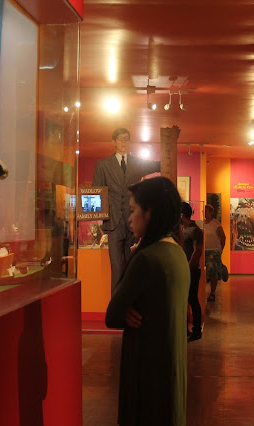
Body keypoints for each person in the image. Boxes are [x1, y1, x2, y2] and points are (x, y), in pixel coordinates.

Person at [105, 176, 189, 426]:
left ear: (149, 213)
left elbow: (112, 315)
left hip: (146, 373)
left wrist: (123, 309)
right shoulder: (177, 253)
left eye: (133, 210)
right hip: (171, 371)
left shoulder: (146, 258)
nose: (129, 218)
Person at [92, 128, 161, 293]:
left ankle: (131, 303)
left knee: (132, 267)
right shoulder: (103, 164)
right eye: (121, 138)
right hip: (113, 221)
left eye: (127, 138)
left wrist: (169, 150)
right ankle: (116, 305)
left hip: (132, 220)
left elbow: (158, 165)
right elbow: (96, 192)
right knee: (116, 268)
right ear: (114, 142)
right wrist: (100, 217)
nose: (124, 142)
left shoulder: (137, 163)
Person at [180, 202, 204, 341]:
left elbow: (197, 251)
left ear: (181, 215)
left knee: (192, 300)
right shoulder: (183, 230)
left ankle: (196, 330)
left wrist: (188, 268)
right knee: (185, 300)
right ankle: (185, 330)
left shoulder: (195, 231)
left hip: (192, 271)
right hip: (185, 270)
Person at [203, 204, 226, 302]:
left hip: (214, 251)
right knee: (205, 273)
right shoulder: (202, 223)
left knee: (213, 274)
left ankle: (212, 293)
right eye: (204, 211)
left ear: (211, 212)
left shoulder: (215, 223)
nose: (205, 213)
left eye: (206, 211)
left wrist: (220, 250)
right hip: (204, 251)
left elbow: (223, 237)